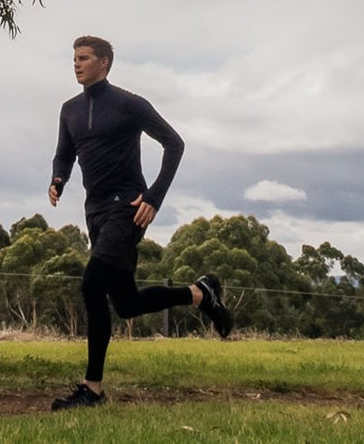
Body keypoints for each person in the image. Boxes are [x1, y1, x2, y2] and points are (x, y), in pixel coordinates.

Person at [47, 35, 234, 411]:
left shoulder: (129, 104)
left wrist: (154, 196)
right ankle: (200, 294)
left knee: (91, 285)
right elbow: (64, 153)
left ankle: (92, 389)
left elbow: (174, 144)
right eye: (74, 58)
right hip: (95, 211)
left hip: (128, 207)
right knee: (127, 303)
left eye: (84, 58)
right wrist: (58, 178)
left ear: (104, 63)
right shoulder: (69, 110)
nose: (76, 64)